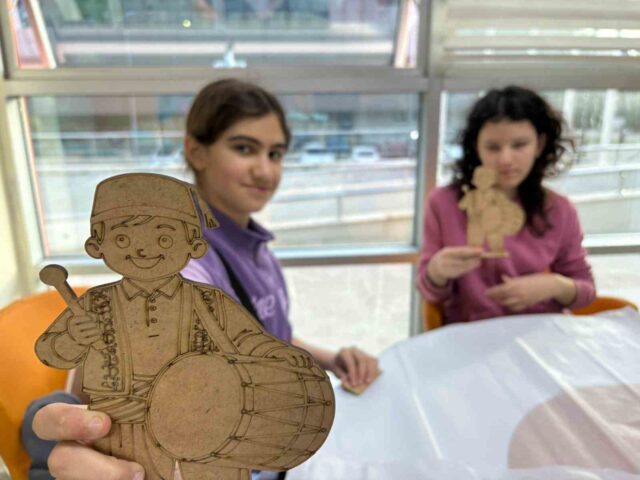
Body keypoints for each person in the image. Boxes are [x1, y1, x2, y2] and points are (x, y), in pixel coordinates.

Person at [25, 78, 379, 480]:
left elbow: (260, 334)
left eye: (275, 153)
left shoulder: (251, 245)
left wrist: (329, 359)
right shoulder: (189, 270)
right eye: (244, 148)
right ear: (196, 151)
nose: (264, 169)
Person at [417, 85, 596, 325]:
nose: (505, 160)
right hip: (469, 335)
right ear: (476, 147)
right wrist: (436, 271)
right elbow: (430, 293)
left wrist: (554, 285)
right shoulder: (444, 203)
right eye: (493, 147)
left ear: (539, 145)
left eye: (519, 145)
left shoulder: (559, 209)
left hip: (539, 333)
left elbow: (586, 293)